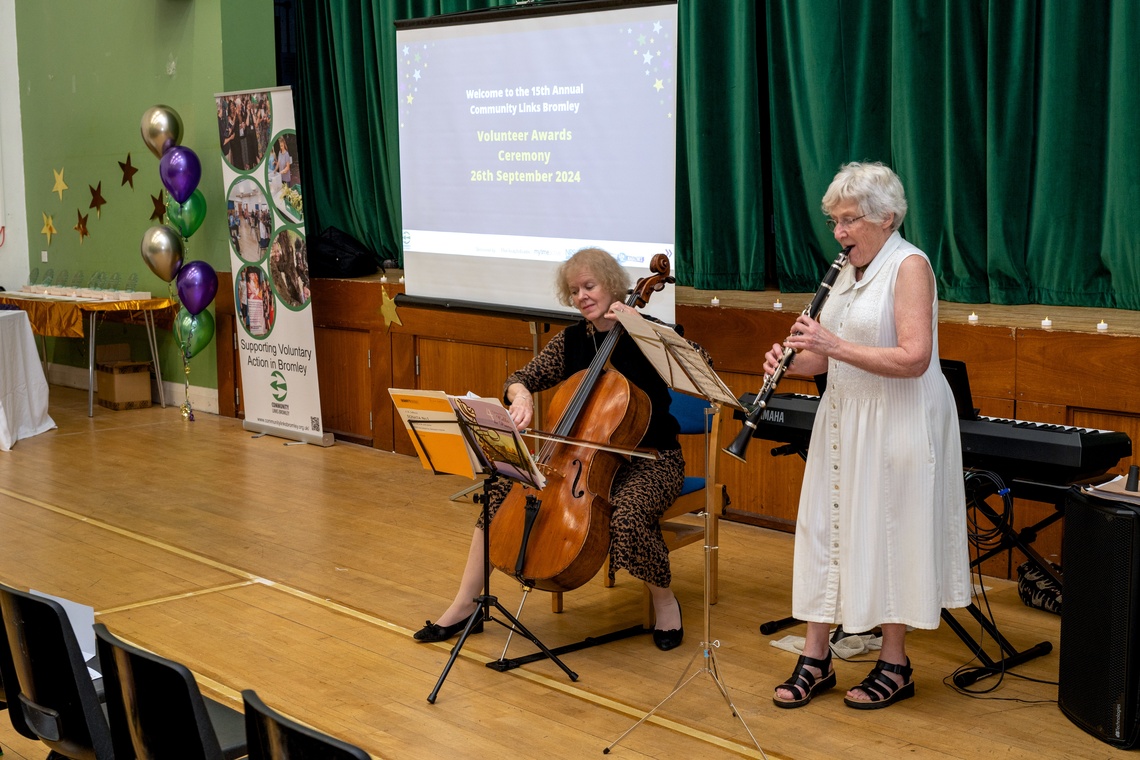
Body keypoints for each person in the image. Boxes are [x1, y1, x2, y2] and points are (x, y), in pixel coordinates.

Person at [414, 247, 711, 651]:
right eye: (574, 291)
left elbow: (701, 369)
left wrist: (647, 332)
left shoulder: (648, 331)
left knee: (627, 516)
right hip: (577, 464)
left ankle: (664, 601)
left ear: (611, 285)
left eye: (589, 286)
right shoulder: (572, 340)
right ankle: (466, 604)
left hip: (652, 460)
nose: (582, 296)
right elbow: (519, 378)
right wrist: (520, 397)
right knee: (499, 492)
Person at [766, 162, 970, 709]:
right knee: (824, 529)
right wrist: (791, 362)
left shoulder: (910, 267)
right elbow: (818, 356)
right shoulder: (843, 271)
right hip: (845, 415)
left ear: (888, 217)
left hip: (900, 415)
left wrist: (829, 348)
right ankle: (815, 658)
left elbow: (913, 358)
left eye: (850, 220)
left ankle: (895, 662)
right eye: (834, 220)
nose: (839, 232)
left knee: (892, 534)